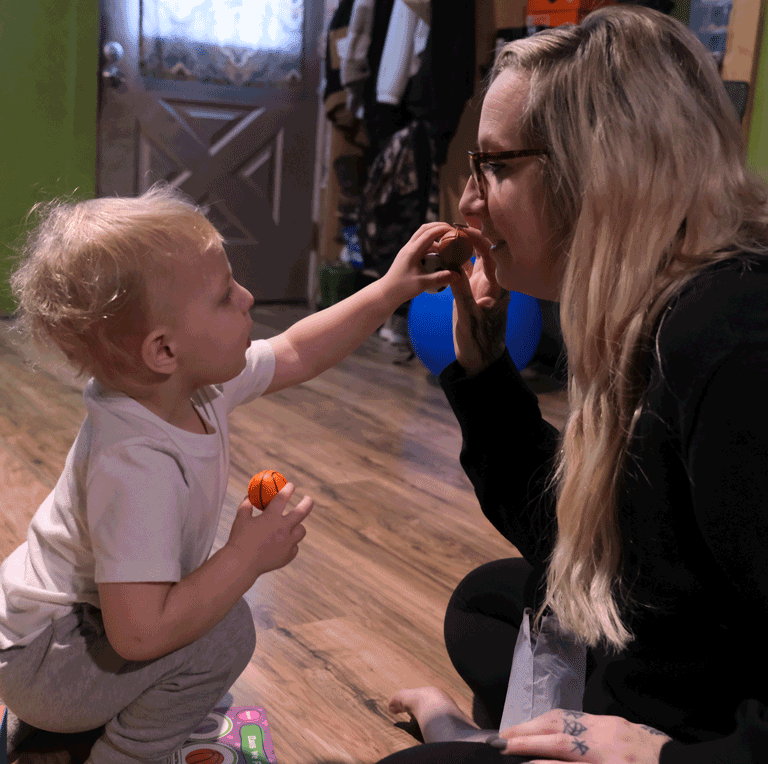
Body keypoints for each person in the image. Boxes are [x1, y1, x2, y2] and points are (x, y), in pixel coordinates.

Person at [376, 5, 768, 764]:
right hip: (694, 654)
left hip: (708, 731)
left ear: (594, 170)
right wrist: (484, 372)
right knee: (487, 606)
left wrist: (654, 756)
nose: (470, 203)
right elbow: (595, 539)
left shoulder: (728, 339)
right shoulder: (646, 307)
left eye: (495, 165)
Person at [0, 183, 462, 764]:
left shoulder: (189, 385)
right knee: (224, 633)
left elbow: (296, 349)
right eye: (223, 297)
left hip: (57, 639)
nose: (246, 298)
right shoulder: (136, 463)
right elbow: (139, 636)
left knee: (203, 623)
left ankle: (67, 732)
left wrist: (388, 291)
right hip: (48, 664)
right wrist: (244, 557)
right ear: (163, 350)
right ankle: (123, 754)